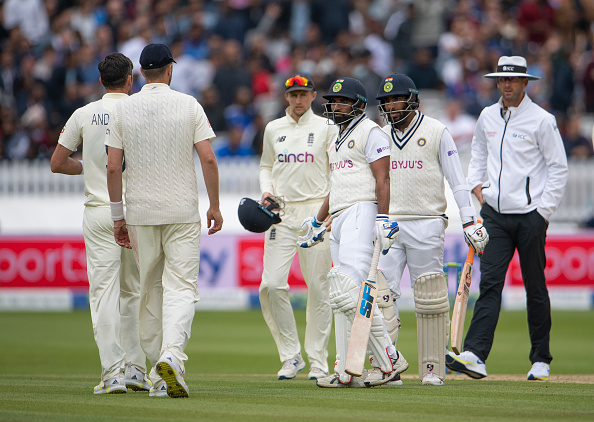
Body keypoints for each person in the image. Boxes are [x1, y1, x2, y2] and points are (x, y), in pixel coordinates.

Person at [105, 44, 223, 398]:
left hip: (141, 212)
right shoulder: (189, 104)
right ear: (169, 71)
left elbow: (112, 167)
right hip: (182, 212)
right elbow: (209, 160)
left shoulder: (124, 109)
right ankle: (172, 357)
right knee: (182, 288)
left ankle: (159, 374)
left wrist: (118, 218)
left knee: (149, 290)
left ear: (141, 73)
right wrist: (214, 206)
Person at [446, 56, 569, 381]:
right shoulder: (487, 115)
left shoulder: (542, 120)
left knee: (535, 286)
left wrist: (543, 212)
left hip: (530, 216)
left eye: (513, 80)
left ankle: (541, 359)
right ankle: (475, 355)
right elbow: (478, 157)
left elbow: (559, 167)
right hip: (495, 216)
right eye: (503, 80)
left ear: (526, 83)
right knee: (489, 285)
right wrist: (477, 189)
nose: (508, 85)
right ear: (497, 82)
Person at [374, 73, 488, 386]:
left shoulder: (437, 131)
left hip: (427, 221)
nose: (390, 106)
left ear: (412, 100)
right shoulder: (380, 134)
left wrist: (469, 220)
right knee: (383, 296)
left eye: (395, 99)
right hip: (389, 223)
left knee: (430, 298)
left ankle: (432, 369)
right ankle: (387, 366)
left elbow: (457, 179)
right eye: (385, 102)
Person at [50, 52, 151, 395]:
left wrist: (83, 169)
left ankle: (113, 374)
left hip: (98, 211)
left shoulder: (84, 113)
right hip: (136, 212)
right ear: (130, 80)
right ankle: (137, 369)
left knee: (104, 293)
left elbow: (57, 162)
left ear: (100, 82)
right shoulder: (141, 110)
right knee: (136, 291)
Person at [299, 77, 402, 388]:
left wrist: (383, 219)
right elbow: (336, 187)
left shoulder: (370, 131)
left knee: (352, 291)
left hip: (362, 210)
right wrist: (317, 221)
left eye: (343, 101)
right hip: (341, 215)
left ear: (358, 104)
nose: (335, 105)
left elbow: (382, 179)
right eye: (334, 101)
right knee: (340, 295)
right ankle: (346, 370)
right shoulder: (335, 138)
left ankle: (389, 361)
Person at [258, 75, 335, 381]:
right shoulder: (273, 128)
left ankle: (317, 360)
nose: (298, 100)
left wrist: (328, 212)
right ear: (286, 96)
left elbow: (336, 170)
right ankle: (291, 356)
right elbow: (266, 166)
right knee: (271, 285)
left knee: (318, 288)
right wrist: (266, 190)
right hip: (281, 213)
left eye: (303, 94)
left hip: (315, 213)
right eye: (293, 94)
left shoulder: (326, 128)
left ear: (313, 95)